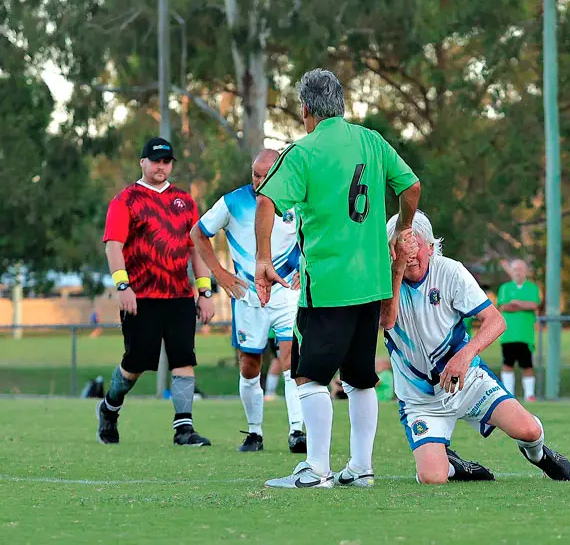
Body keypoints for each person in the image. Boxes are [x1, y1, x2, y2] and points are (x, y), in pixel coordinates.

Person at [255, 69, 421, 489]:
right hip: (372, 282)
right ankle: (361, 469)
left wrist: (261, 259)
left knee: (309, 376)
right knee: (360, 376)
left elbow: (267, 201)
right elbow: (412, 186)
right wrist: (403, 227)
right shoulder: (372, 141)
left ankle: (317, 471)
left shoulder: (304, 151)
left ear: (306, 109)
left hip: (326, 285)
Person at [382, 211, 570, 484]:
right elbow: (386, 321)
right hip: (419, 399)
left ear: (430, 246)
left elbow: (495, 321)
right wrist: (396, 270)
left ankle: (540, 456)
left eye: (415, 247)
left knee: (530, 431)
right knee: (431, 477)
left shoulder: (450, 271)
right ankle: (455, 466)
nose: (409, 255)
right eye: (400, 248)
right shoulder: (382, 279)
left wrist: (465, 355)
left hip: (467, 381)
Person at [97, 137, 215, 446]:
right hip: (140, 298)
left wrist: (205, 291)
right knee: (135, 364)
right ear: (143, 162)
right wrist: (123, 286)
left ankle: (183, 430)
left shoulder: (185, 201)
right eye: (155, 160)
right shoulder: (126, 199)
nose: (161, 166)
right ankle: (109, 407)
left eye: (166, 161)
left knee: (183, 359)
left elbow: (196, 250)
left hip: (178, 297)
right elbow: (113, 246)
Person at [190, 149, 306, 453]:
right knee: (249, 365)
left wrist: (305, 269)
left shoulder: (297, 201)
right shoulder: (232, 202)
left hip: (286, 295)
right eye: (255, 174)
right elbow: (198, 233)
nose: (259, 180)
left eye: (265, 174)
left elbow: (314, 235)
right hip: (248, 297)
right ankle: (254, 432)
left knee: (291, 360)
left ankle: (297, 431)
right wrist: (220, 274)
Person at [497, 259, 541, 401]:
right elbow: (504, 306)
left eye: (520, 269)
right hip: (508, 335)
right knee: (507, 364)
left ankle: (529, 395)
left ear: (526, 271)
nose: (518, 272)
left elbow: (533, 305)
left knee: (527, 366)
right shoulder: (505, 288)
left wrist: (517, 303)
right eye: (515, 269)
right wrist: (522, 306)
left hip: (526, 335)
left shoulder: (532, 288)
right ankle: (508, 395)